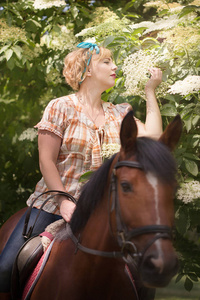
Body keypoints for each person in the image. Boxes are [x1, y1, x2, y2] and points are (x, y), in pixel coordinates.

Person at [0, 42, 163, 297]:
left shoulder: (120, 113)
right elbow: (46, 161)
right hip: (53, 206)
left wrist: (150, 91)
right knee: (4, 267)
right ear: (87, 70)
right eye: (107, 62)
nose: (115, 66)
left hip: (102, 215)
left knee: (144, 280)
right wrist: (64, 201)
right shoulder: (59, 107)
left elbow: (153, 137)